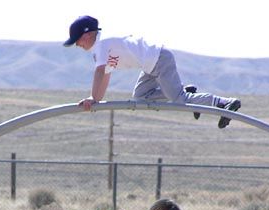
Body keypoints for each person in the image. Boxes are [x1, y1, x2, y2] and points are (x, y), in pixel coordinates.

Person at [64, 15, 241, 128]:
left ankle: (223, 102)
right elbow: (106, 76)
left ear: (87, 35)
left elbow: (100, 72)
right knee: (141, 96)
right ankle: (185, 91)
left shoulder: (101, 46)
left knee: (179, 100)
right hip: (151, 64)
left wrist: (92, 98)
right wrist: (97, 100)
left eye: (77, 40)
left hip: (159, 60)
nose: (77, 45)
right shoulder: (102, 48)